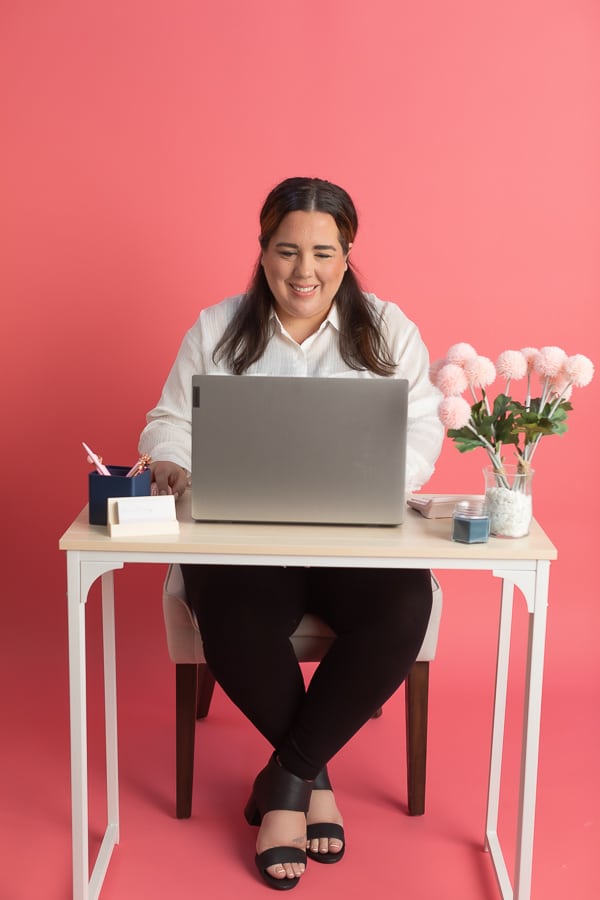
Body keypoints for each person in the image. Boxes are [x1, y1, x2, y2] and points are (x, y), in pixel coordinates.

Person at [139, 176, 443, 890]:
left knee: (404, 606)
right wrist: (177, 468)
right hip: (243, 544)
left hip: (357, 541)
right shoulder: (217, 325)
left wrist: (371, 482)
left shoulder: (389, 327)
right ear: (261, 250)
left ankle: (284, 783)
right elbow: (166, 422)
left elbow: (424, 429)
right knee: (231, 614)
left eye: (322, 252)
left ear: (346, 254)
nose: (303, 271)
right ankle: (311, 782)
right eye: (286, 251)